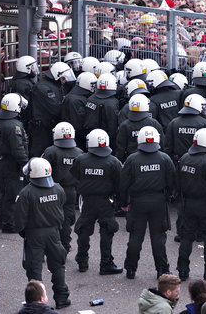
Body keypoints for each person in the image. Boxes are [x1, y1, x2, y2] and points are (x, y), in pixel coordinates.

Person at [120, 125, 176, 280]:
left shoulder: (132, 159)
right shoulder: (164, 158)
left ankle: (131, 269)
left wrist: (124, 203)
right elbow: (172, 181)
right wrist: (168, 197)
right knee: (158, 237)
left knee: (135, 236)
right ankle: (162, 270)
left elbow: (123, 183)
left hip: (138, 202)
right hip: (158, 201)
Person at [14, 157, 71, 308]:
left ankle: (35, 302)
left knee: (34, 269)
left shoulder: (26, 193)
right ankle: (62, 298)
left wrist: (25, 233)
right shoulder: (58, 188)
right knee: (58, 265)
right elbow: (62, 206)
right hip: (54, 233)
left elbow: (19, 220)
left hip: (34, 235)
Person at [71, 128, 124, 275]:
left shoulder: (81, 159)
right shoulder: (113, 162)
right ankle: (106, 264)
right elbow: (120, 184)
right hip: (106, 201)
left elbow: (75, 176)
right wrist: (122, 202)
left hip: (87, 201)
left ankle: (82, 261)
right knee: (107, 230)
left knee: (83, 230)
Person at [176, 127, 206, 282]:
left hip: (187, 204)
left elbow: (178, 182)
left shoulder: (185, 158)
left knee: (186, 237)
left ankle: (182, 270)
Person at [0, 93, 29, 234]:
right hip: (12, 163)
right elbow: (18, 148)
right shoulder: (14, 126)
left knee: (5, 191)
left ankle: (2, 220)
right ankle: (9, 223)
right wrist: (25, 164)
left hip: (2, 161)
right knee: (13, 193)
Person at [41, 122, 82, 254]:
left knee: (49, 219)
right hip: (71, 191)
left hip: (52, 190)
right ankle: (65, 246)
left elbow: (43, 171)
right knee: (66, 221)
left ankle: (50, 247)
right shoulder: (79, 152)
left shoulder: (50, 151)